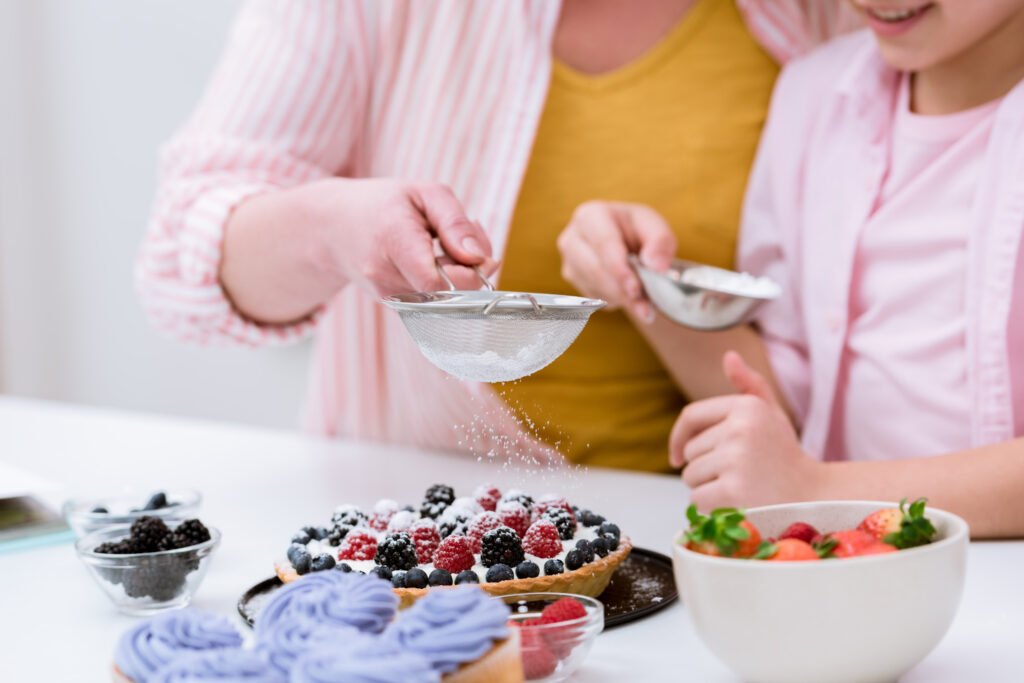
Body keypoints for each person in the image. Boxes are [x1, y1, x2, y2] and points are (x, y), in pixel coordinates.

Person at [137, 1, 855, 470]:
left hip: (706, 541)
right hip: (415, 540)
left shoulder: (835, 21)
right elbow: (181, 258)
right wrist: (333, 227)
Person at [611, 0, 1024, 537]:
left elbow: (801, 483)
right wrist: (642, 280)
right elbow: (795, 399)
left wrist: (817, 491)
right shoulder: (813, 95)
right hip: (842, 568)